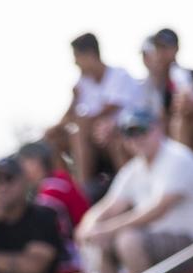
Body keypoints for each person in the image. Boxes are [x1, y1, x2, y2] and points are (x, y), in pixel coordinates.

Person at [77, 108, 193, 273]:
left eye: (141, 130)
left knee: (128, 239)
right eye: (129, 133)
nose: (137, 138)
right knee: (104, 242)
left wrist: (106, 229)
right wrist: (87, 227)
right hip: (163, 247)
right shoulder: (134, 169)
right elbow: (108, 207)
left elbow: (157, 210)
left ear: (158, 128)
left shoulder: (177, 158)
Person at [45, 32, 145, 200]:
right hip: (93, 139)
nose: (75, 63)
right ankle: (70, 191)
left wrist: (79, 119)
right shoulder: (82, 84)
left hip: (121, 134)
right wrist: (73, 102)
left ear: (90, 55)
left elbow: (107, 110)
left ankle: (83, 190)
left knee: (82, 128)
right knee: (55, 138)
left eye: (77, 57)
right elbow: (71, 117)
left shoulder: (119, 75)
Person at [17, 141, 89, 273]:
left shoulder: (52, 190)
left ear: (36, 162)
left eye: (24, 162)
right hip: (82, 246)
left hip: (80, 253)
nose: (21, 170)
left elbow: (55, 234)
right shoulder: (56, 180)